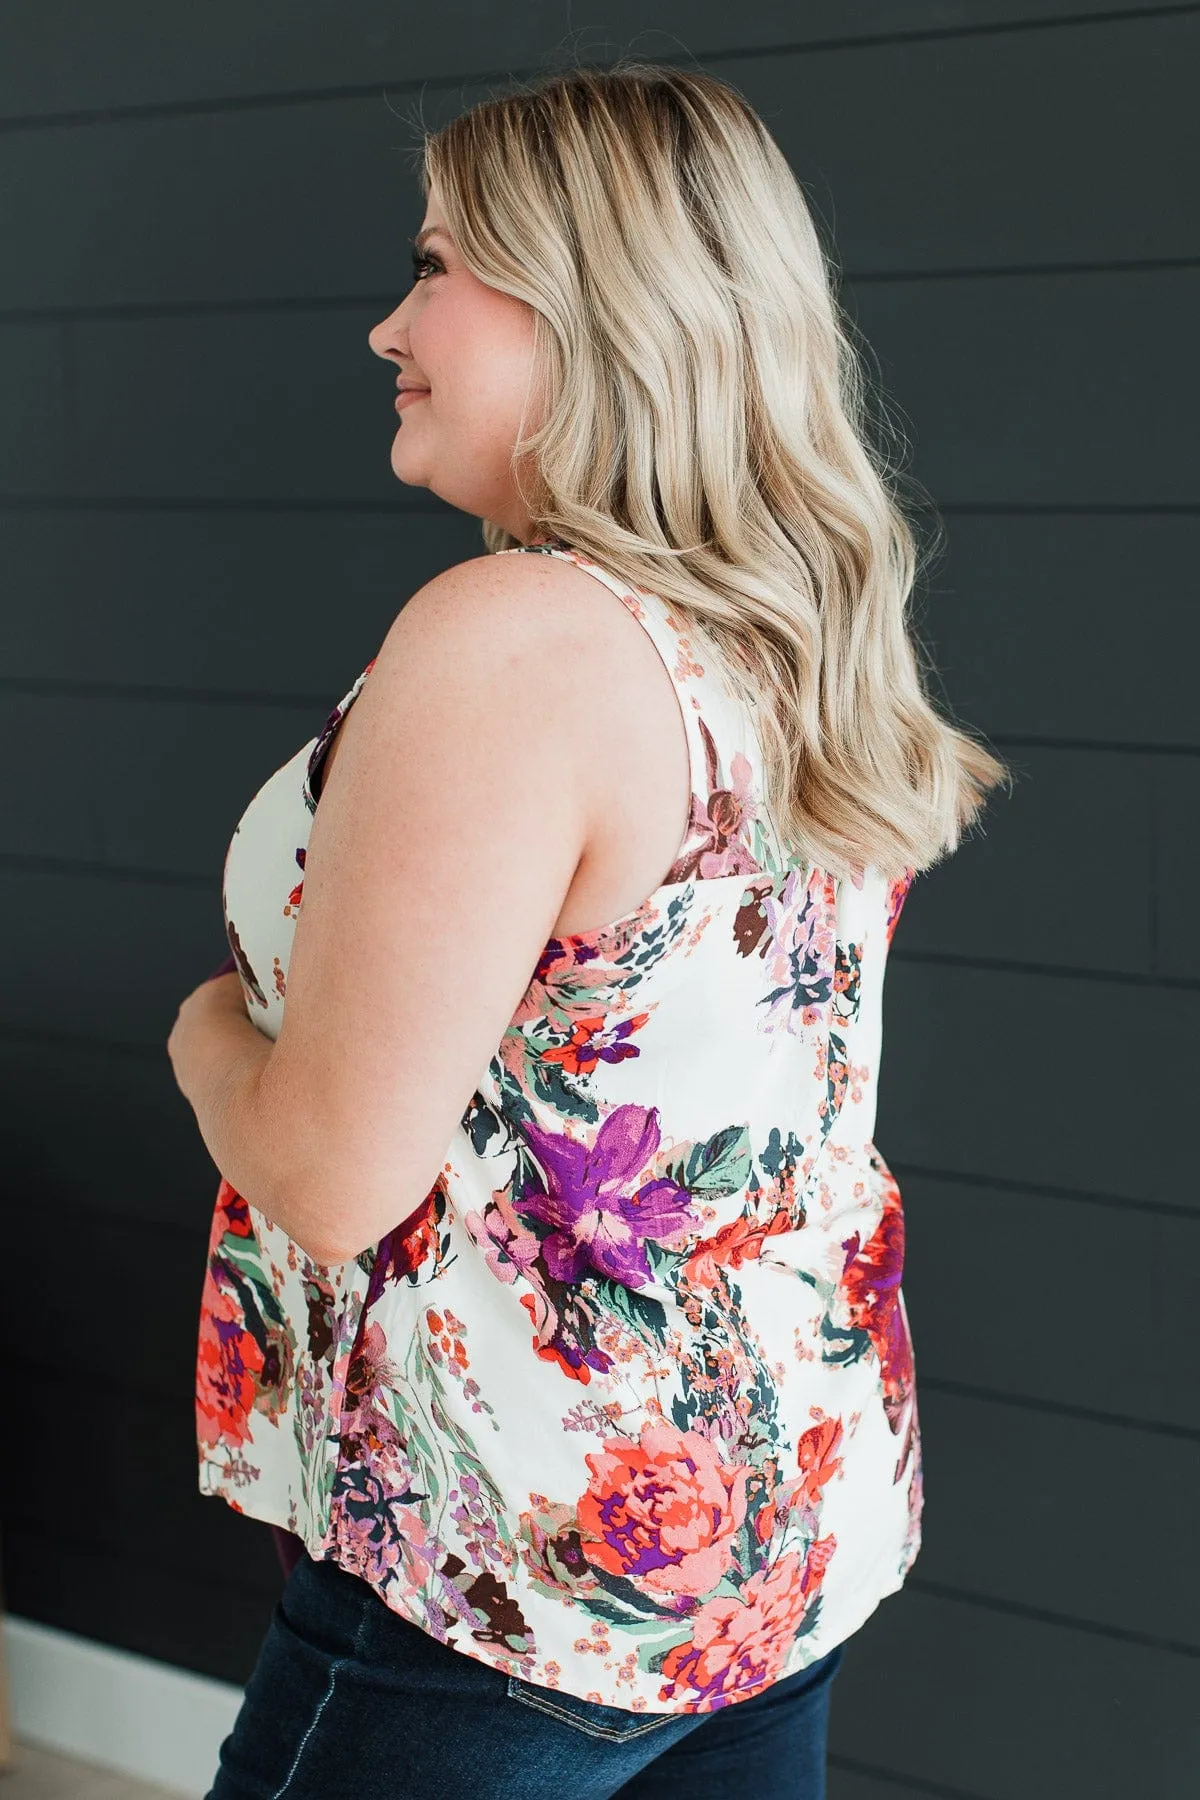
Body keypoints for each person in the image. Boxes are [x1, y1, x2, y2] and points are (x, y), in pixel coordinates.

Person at [166, 59, 1008, 1800]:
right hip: (766, 1539)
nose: (387, 326)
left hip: (511, 1580)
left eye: (434, 265)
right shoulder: (792, 646)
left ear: (589, 299)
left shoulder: (514, 639)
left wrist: (200, 1035)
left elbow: (329, 1176)